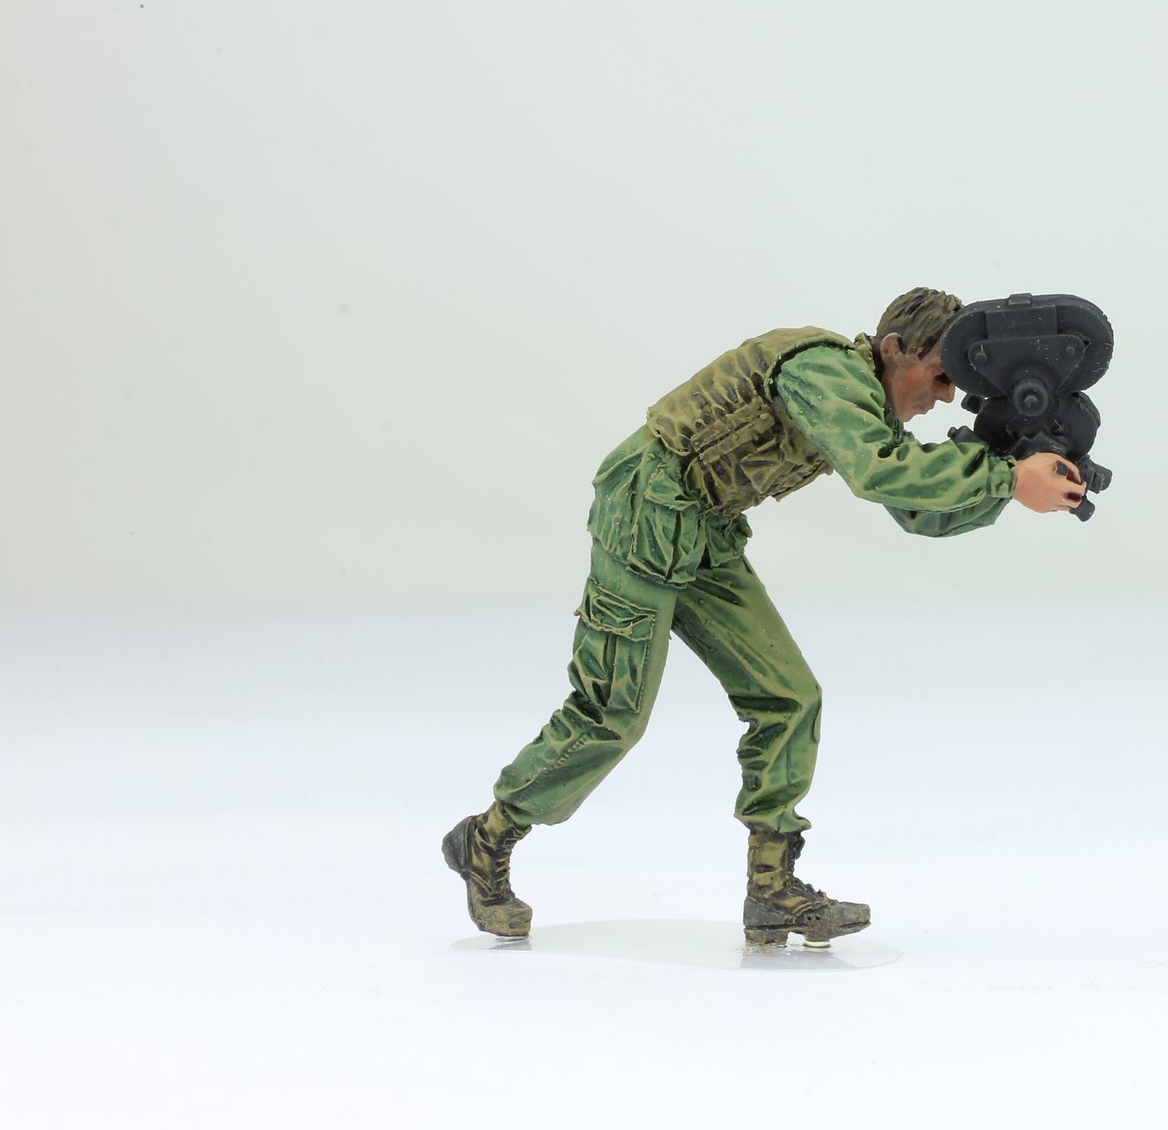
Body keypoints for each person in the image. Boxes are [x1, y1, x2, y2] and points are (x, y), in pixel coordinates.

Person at [443, 288, 1088, 947]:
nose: (946, 398)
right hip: (645, 514)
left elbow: (918, 511)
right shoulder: (826, 371)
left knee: (789, 698)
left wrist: (1011, 471)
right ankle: (487, 839)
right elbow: (879, 473)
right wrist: (1008, 480)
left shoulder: (864, 404)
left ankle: (772, 890)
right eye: (941, 376)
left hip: (703, 530)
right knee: (612, 713)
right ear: (894, 350)